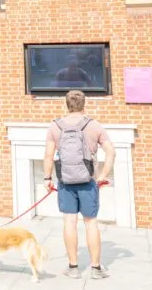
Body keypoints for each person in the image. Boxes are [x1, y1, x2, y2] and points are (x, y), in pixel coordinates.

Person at [44, 89, 116, 279]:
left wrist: (47, 178)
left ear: (66, 104)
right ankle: (95, 268)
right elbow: (111, 152)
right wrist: (103, 175)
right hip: (88, 181)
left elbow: (49, 155)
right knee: (91, 223)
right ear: (84, 104)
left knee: (69, 222)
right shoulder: (93, 126)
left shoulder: (55, 126)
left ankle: (73, 268)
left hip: (65, 182)